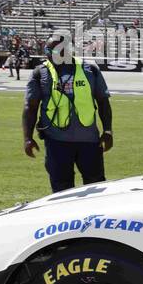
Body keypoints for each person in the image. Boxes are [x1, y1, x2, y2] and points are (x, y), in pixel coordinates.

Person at [23, 45, 113, 194]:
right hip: (56, 142)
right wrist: (27, 138)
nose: (48, 55)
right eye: (47, 51)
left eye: (54, 51)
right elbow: (30, 106)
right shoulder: (40, 72)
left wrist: (108, 130)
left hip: (89, 141)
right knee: (61, 189)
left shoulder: (89, 69)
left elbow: (103, 101)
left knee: (95, 186)